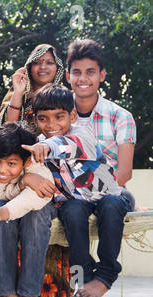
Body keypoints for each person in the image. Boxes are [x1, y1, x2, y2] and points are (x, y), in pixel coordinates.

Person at [25, 83, 134, 297]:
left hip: (110, 196)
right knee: (71, 211)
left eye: (59, 116)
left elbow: (66, 145)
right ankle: (80, 283)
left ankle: (106, 275)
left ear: (72, 116)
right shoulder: (37, 144)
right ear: (35, 120)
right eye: (43, 118)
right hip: (78, 202)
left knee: (111, 205)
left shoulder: (82, 135)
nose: (51, 124)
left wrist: (48, 147)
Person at [0, 122, 57, 297]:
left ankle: (29, 295)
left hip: (40, 207)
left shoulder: (37, 166)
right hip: (7, 205)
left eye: (11, 163)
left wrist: (27, 178)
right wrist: (23, 182)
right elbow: (0, 192)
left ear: (27, 161)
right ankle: (8, 295)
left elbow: (40, 197)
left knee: (35, 215)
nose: (2, 169)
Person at [65, 39, 136, 187]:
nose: (83, 79)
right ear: (68, 76)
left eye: (90, 72)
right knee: (73, 210)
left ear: (102, 75)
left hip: (111, 193)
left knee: (109, 205)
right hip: (70, 197)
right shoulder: (58, 115)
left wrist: (92, 193)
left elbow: (124, 172)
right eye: (77, 72)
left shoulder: (121, 117)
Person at [0, 44, 64, 129]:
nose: (43, 67)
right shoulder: (16, 92)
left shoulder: (64, 96)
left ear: (58, 68)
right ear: (29, 67)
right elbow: (7, 128)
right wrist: (18, 93)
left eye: (49, 63)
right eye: (37, 62)